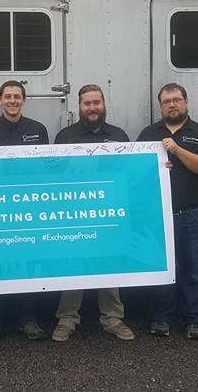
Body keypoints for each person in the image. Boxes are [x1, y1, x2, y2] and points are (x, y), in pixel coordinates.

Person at [51, 84, 135, 342]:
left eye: (96, 102)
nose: (92, 108)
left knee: (109, 264)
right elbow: (55, 176)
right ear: (79, 107)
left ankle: (112, 318)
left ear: (104, 104)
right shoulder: (65, 136)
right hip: (75, 214)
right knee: (72, 264)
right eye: (87, 103)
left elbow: (130, 172)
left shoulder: (119, 136)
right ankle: (67, 318)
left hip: (109, 212)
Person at [136, 83, 198, 341]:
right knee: (162, 269)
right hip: (158, 216)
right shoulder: (149, 133)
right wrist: (157, 166)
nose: (172, 104)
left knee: (193, 268)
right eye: (166, 101)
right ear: (160, 106)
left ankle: (195, 319)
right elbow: (136, 172)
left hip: (192, 214)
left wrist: (177, 150)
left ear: (186, 102)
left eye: (176, 100)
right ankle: (161, 317)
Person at [0, 80, 49, 343]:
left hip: (28, 209)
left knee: (26, 264)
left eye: (17, 96)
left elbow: (44, 169)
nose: (13, 101)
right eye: (8, 96)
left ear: (24, 100)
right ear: (0, 100)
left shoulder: (38, 130)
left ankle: (28, 320)